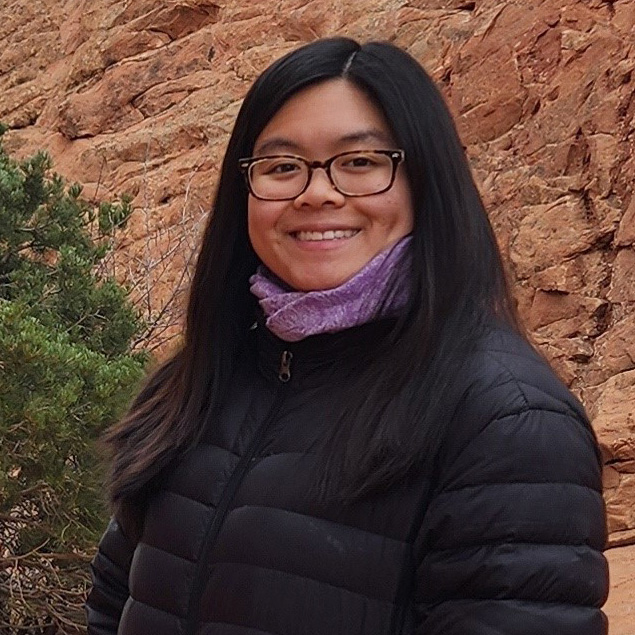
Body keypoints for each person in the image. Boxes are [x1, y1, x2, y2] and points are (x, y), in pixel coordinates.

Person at [85, 37, 609, 635]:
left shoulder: (505, 418)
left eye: (360, 163)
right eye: (282, 167)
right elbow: (113, 602)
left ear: (424, 181)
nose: (317, 192)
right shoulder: (207, 377)